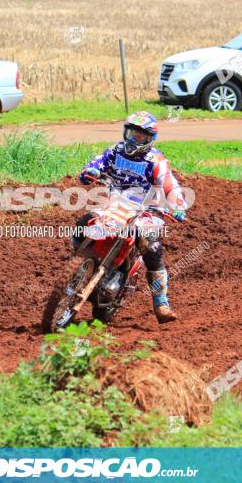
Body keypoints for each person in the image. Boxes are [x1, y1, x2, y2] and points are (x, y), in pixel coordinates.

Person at [76, 111, 187, 324]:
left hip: (146, 210)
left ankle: (161, 303)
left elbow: (170, 184)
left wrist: (178, 205)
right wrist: (91, 172)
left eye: (139, 136)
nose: (133, 139)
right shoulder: (115, 151)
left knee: (152, 247)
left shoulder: (156, 160)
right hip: (115, 204)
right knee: (83, 224)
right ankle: (78, 263)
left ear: (149, 139)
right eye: (131, 133)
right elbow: (96, 163)